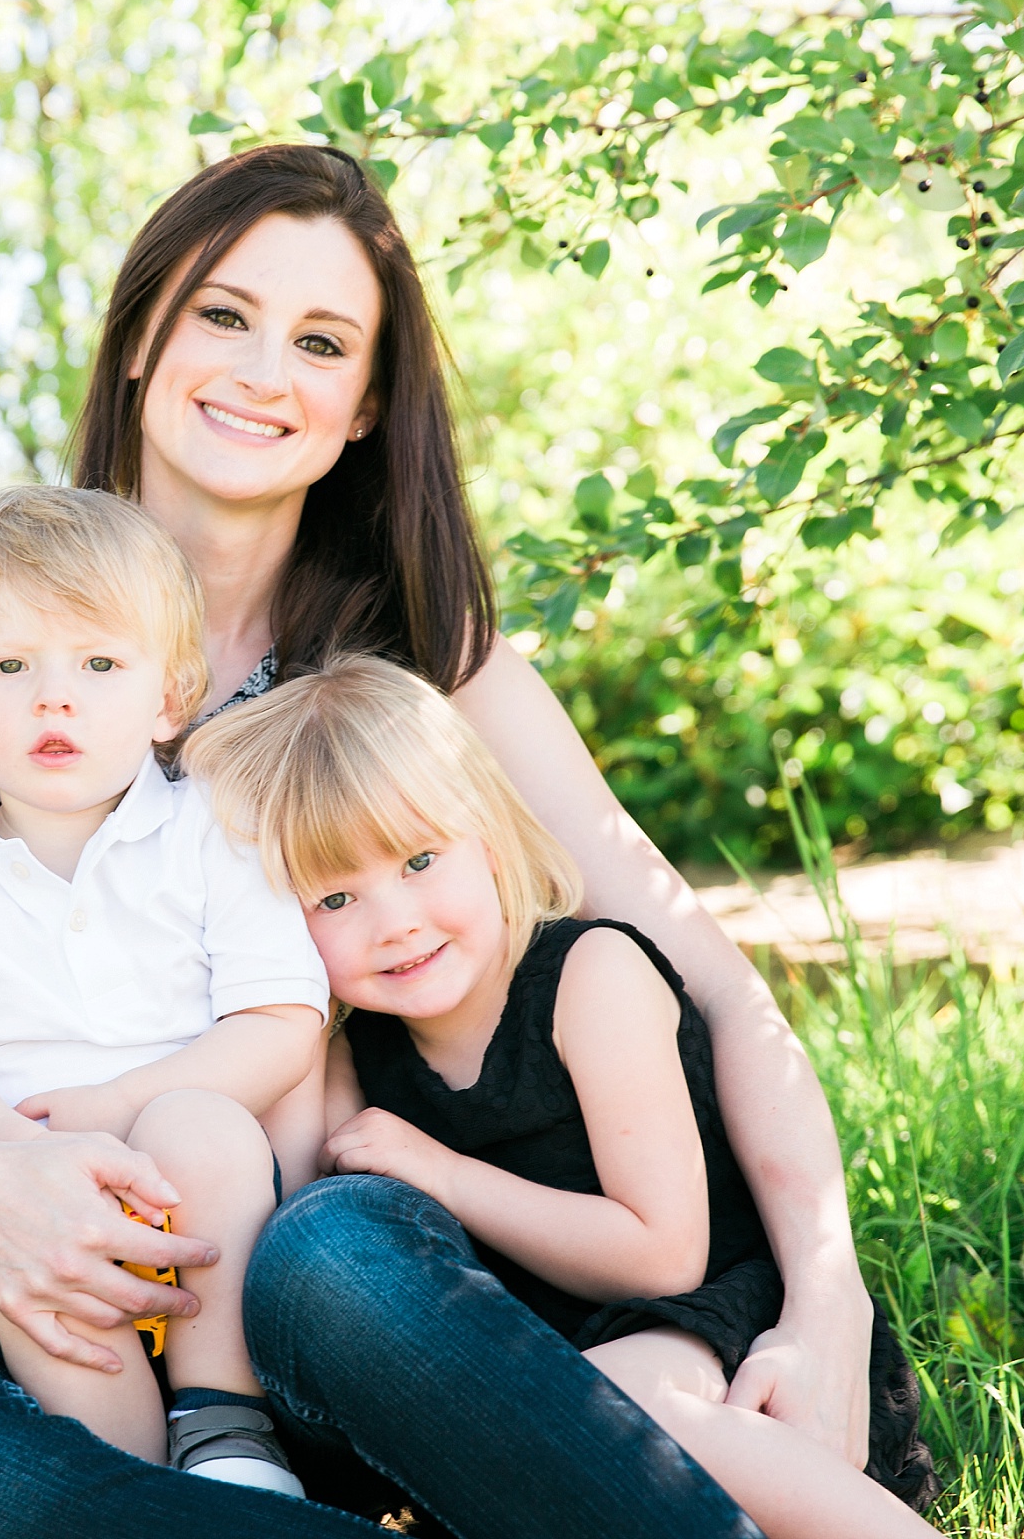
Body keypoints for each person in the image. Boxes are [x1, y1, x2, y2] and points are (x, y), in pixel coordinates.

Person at [0, 143, 869, 1537]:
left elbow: (700, 972)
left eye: (320, 341)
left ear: (364, 408)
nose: (261, 369)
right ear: (139, 341)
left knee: (328, 1259)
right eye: (223, 315)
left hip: (345, 1283)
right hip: (38, 1259)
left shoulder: (428, 664)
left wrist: (828, 1294)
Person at [181, 655, 941, 1536]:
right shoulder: (358, 1057)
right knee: (512, 1424)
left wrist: (447, 1176)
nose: (395, 921)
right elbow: (304, 1228)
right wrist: (289, 1003)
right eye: (334, 896)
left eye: (421, 859)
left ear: (491, 838)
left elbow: (662, 1256)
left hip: (697, 1327)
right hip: (523, 1364)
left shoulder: (591, 975)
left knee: (610, 1405)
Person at [0, 485, 328, 1495]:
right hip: (27, 1180)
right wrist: (34, 1157)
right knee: (47, 1274)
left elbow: (283, 1020)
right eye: (10, 667)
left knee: (200, 1125)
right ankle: (135, 1486)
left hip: (205, 1206)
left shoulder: (217, 831)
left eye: (99, 665)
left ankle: (222, 1420)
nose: (52, 698)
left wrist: (122, 1108)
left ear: (169, 698)